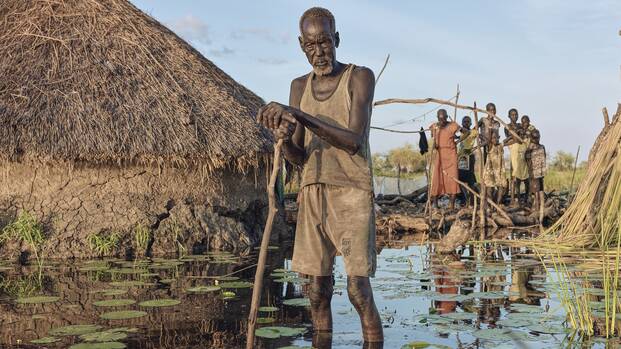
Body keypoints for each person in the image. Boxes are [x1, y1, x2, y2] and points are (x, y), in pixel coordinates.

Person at [256, 7, 383, 345]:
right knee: (316, 291)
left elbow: (354, 141)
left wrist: (299, 114)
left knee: (358, 290)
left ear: (336, 39)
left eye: (325, 42)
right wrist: (281, 139)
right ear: (301, 46)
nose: (319, 52)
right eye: (311, 46)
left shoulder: (359, 77)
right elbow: (300, 156)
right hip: (312, 193)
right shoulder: (299, 86)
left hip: (352, 193)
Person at [429, 109, 461, 210]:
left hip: (451, 155)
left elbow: (467, 132)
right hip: (439, 155)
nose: (441, 121)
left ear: (447, 117)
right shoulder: (434, 126)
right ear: (437, 117)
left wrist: (457, 141)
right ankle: (435, 206)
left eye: (443, 119)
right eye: (440, 119)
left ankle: (451, 206)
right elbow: (433, 137)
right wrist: (435, 145)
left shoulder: (453, 125)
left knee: (452, 178)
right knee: (436, 178)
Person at [503, 109, 529, 206]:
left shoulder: (520, 125)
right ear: (509, 116)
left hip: (522, 151)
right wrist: (517, 136)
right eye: (512, 115)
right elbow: (511, 139)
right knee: (514, 176)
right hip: (513, 151)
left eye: (516, 115)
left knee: (526, 177)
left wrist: (518, 135)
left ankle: (526, 198)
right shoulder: (507, 126)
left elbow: (524, 136)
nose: (514, 116)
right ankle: (513, 199)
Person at [457, 116, 478, 206]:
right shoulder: (461, 133)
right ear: (462, 123)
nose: (466, 123)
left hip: (468, 158)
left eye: (468, 122)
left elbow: (467, 132)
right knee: (460, 179)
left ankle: (472, 201)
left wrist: (472, 149)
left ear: (470, 123)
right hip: (461, 158)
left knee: (470, 180)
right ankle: (464, 198)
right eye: (464, 122)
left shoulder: (473, 132)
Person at [525, 129, 546, 211]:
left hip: (540, 172)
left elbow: (544, 158)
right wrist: (529, 150)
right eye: (535, 138)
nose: (537, 139)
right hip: (533, 172)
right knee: (535, 190)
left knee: (540, 189)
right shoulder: (530, 148)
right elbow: (526, 159)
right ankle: (536, 206)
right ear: (531, 138)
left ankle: (539, 205)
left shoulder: (542, 147)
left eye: (538, 137)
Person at [484, 131, 506, 204]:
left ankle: (498, 203)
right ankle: (491, 205)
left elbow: (512, 139)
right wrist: (490, 127)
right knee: (490, 187)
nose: (495, 139)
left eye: (497, 138)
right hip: (490, 170)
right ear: (491, 139)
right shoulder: (490, 146)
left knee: (501, 186)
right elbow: (488, 140)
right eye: (493, 138)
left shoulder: (500, 145)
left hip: (499, 170)